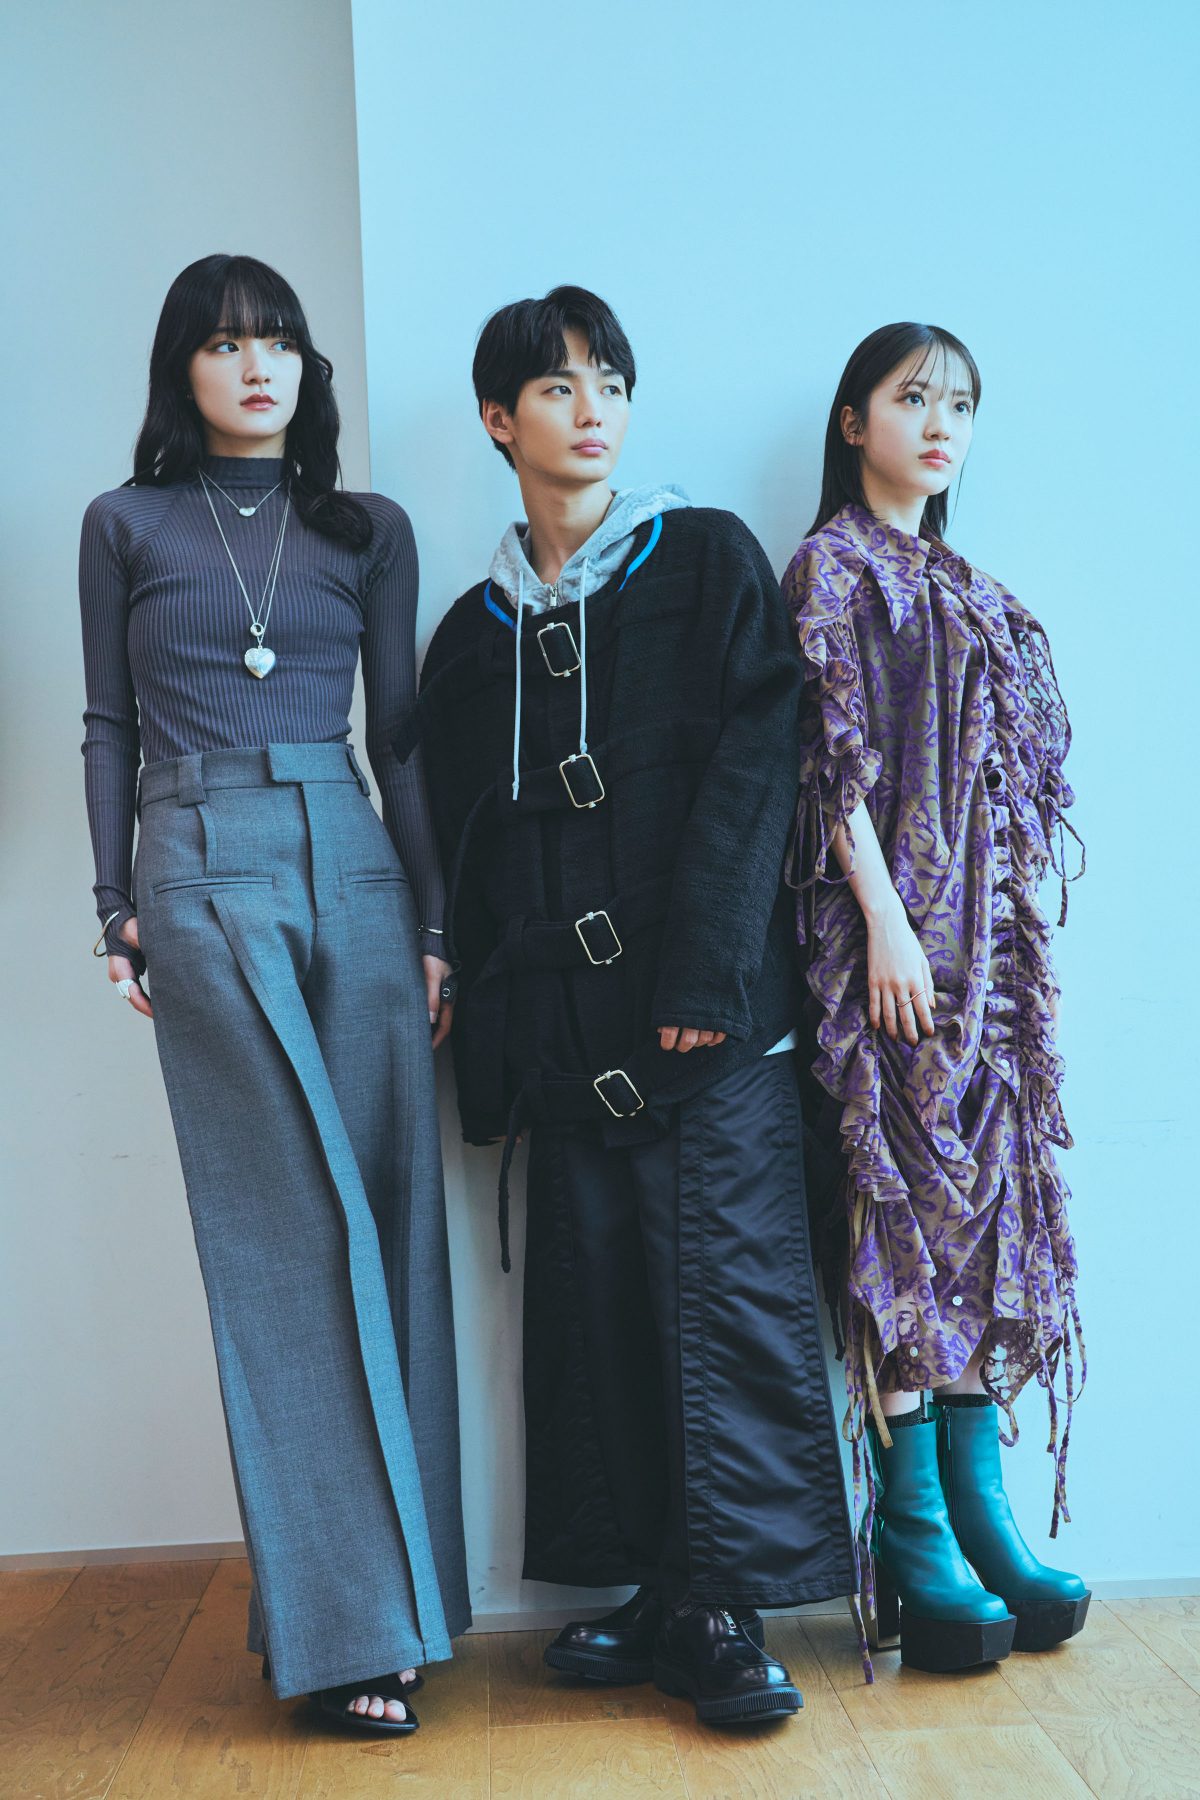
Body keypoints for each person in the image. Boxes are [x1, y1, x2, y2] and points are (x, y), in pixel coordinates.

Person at [397, 285, 855, 1727]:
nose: (591, 408)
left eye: (610, 381)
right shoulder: (469, 636)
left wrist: (708, 973)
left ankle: (725, 1611)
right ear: (498, 419)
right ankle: (658, 1591)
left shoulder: (704, 558)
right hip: (564, 1041)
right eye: (557, 386)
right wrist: (490, 1034)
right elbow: (466, 841)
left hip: (705, 1019)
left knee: (723, 1307)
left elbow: (761, 767)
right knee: (599, 1315)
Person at [78, 253, 469, 1733]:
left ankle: (396, 1602)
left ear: (309, 368)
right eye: (228, 344)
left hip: (354, 852)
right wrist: (115, 906)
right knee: (282, 1241)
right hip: (196, 851)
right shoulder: (125, 524)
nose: (258, 368)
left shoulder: (367, 527)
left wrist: (433, 921)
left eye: (281, 344)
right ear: (180, 367)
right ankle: (352, 1636)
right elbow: (108, 724)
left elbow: (402, 734)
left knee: (396, 1219)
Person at [783, 322, 1089, 1676]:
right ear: (855, 421)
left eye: (959, 404)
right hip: (889, 948)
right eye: (913, 399)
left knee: (981, 1218)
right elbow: (831, 762)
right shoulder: (831, 568)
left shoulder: (969, 587)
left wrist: (1012, 955)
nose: (940, 424)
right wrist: (885, 924)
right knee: (900, 1215)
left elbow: (1008, 796)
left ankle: (978, 1517)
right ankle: (911, 1534)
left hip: (983, 961)